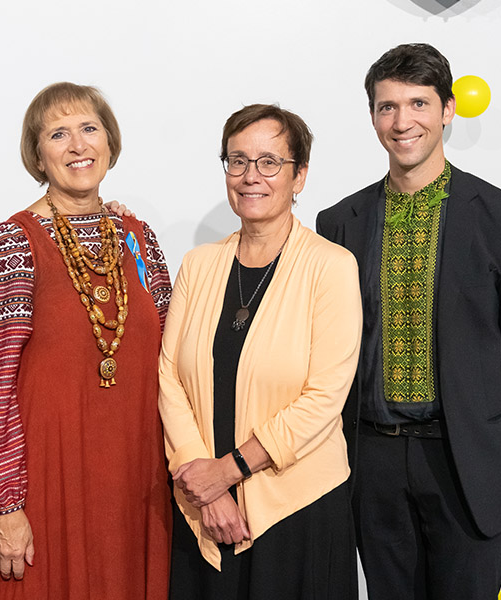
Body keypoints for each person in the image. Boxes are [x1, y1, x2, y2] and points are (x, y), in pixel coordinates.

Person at [316, 43, 501, 599]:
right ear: (373, 116)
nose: (403, 122)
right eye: (387, 107)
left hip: (464, 461)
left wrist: (484, 420)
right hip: (369, 461)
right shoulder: (339, 223)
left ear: (448, 110)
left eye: (419, 104)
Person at [0, 81, 172, 600]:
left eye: (89, 129)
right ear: (38, 154)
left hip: (137, 488)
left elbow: (173, 360)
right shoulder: (4, 246)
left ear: (110, 143)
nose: (78, 146)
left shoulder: (139, 237)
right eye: (58, 134)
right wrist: (3, 506)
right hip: (44, 492)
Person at [159, 104, 363, 600]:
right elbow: (169, 376)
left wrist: (228, 472)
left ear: (300, 176)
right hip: (202, 509)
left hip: (297, 506)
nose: (252, 176)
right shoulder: (198, 264)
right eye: (237, 160)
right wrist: (203, 483)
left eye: (270, 162)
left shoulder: (331, 267)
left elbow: (323, 399)